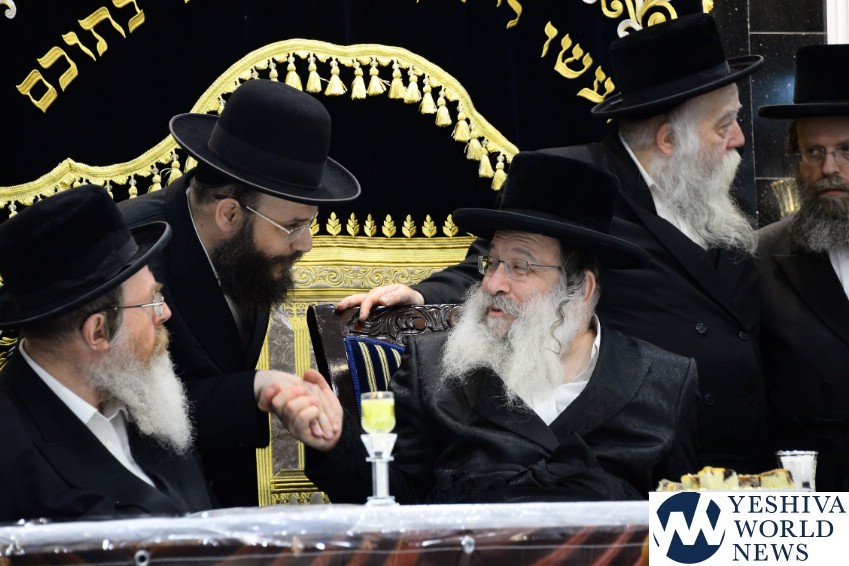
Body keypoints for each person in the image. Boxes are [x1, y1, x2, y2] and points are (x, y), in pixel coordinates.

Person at [338, 13, 768, 473]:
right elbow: (504, 264)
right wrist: (422, 296)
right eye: (725, 124)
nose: (739, 138)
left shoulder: (711, 194)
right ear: (668, 139)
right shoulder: (577, 184)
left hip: (729, 462)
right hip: (623, 443)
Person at [280, 151, 701, 503]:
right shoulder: (432, 368)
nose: (493, 284)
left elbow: (688, 538)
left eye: (520, 266)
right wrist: (336, 439)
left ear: (581, 288)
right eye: (492, 262)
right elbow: (395, 504)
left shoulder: (665, 382)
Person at [119, 79, 359, 507]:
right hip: (148, 506)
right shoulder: (133, 255)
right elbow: (126, 408)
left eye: (309, 224)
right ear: (229, 214)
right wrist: (254, 388)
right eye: (293, 226)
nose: (306, 244)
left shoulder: (245, 255)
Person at [0, 185, 213, 522]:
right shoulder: (11, 455)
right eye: (152, 302)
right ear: (98, 331)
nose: (165, 313)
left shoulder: (143, 398)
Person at [756, 44, 849, 491]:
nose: (830, 167)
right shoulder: (759, 257)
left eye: (847, 150)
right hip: (810, 510)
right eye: (814, 151)